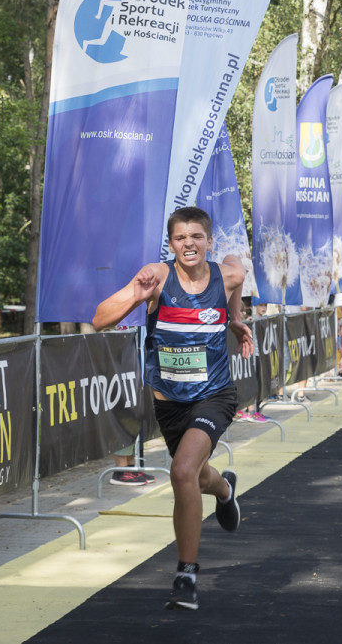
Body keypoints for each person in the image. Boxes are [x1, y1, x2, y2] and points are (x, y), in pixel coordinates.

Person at [93, 207, 253, 611]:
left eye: (196, 236)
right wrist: (138, 296)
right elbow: (99, 320)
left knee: (181, 471)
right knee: (195, 477)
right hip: (169, 403)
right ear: (171, 245)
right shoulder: (157, 278)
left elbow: (237, 273)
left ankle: (186, 575)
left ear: (208, 241)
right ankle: (224, 488)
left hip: (214, 395)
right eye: (180, 238)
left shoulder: (226, 273)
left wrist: (234, 319)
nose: (189, 244)